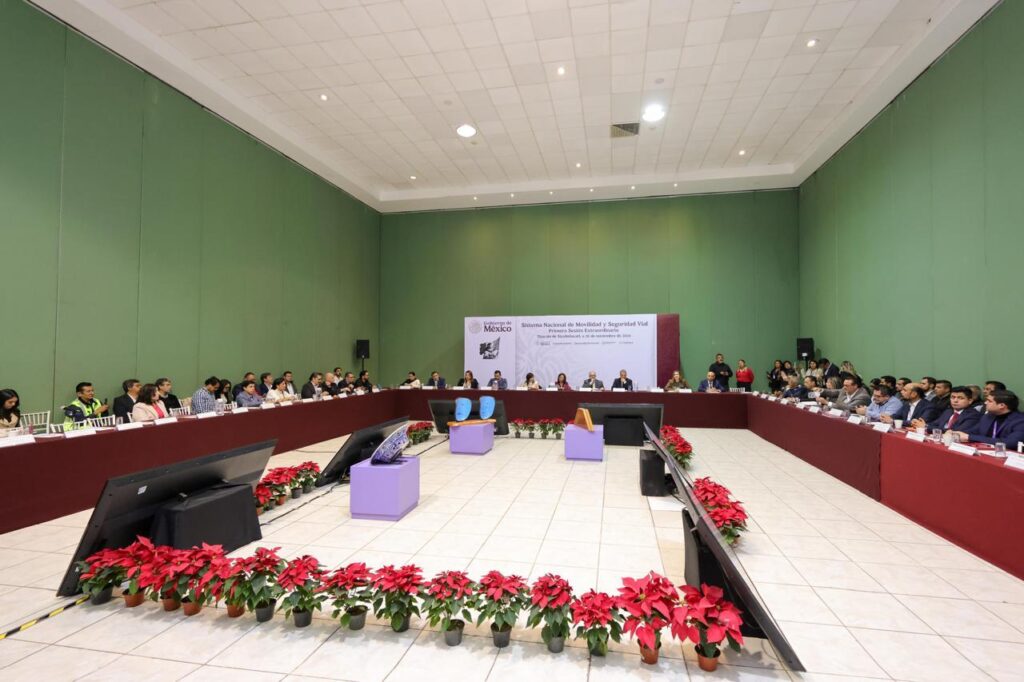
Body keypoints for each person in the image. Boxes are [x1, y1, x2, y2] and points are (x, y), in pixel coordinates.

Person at [956, 389, 1024, 448]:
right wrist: (956, 433)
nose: (985, 403)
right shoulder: (988, 416)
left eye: (989, 401)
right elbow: (974, 431)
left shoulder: (1020, 421)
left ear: (1001, 405)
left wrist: (969, 437)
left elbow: (1011, 442)